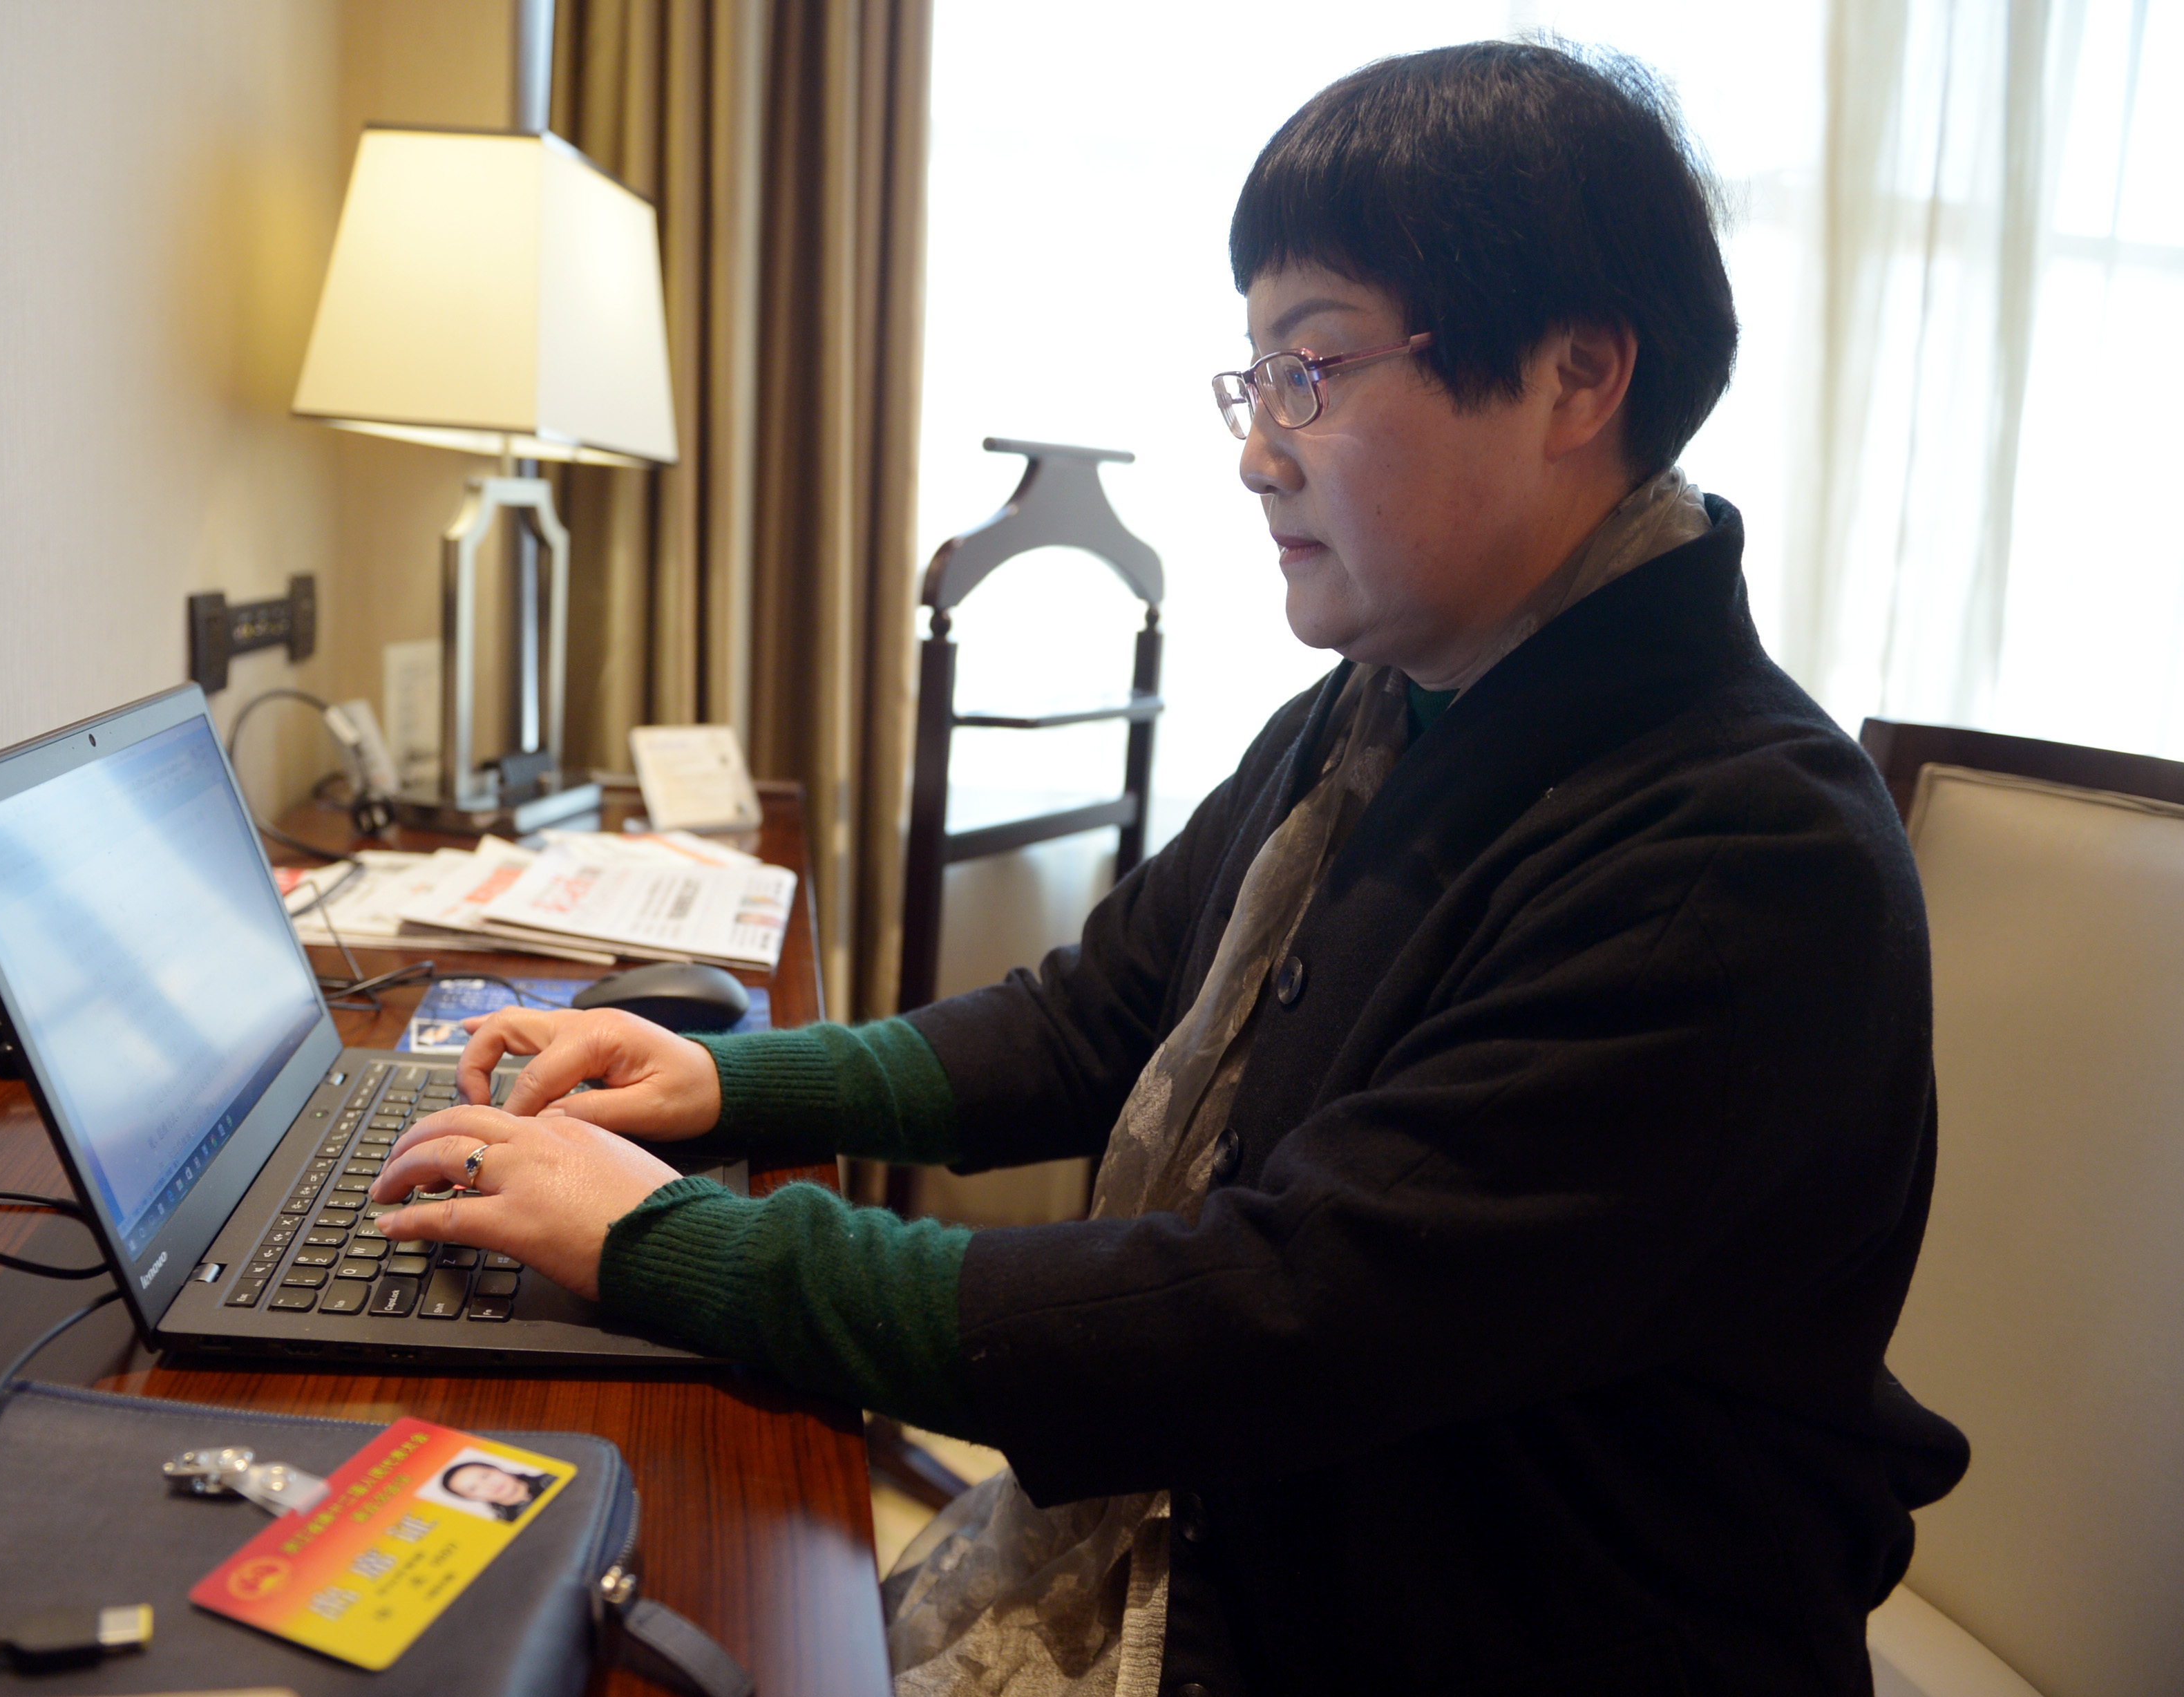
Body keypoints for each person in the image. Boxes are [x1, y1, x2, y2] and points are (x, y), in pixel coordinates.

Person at [371, 39, 1967, 1697]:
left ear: (1578, 376)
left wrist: (673, 1241)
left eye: (1315, 368)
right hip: (1276, 1545)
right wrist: (721, 1078)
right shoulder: (1387, 706)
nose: (1259, 450)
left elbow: (1274, 1316)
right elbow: (1098, 1013)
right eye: (1255, 378)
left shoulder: (1739, 855)